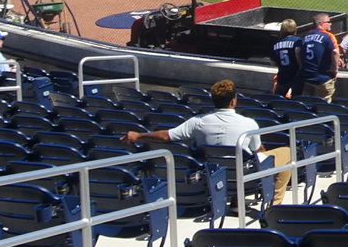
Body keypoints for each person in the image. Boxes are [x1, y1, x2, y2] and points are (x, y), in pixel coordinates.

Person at [124, 79, 293, 205]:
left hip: (213, 175)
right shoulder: (249, 123)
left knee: (230, 159)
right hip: (244, 178)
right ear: (233, 100)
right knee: (286, 152)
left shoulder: (197, 122)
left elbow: (165, 136)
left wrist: (138, 136)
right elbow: (259, 151)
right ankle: (274, 204)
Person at [296, 13, 340, 100]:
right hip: (322, 78)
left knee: (307, 102)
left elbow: (297, 51)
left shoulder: (306, 35)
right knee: (324, 104)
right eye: (329, 22)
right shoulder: (328, 36)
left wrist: (301, 66)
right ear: (322, 23)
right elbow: (335, 52)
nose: (331, 24)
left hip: (307, 76)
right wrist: (335, 69)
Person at [269, 18, 303, 97]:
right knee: (297, 98)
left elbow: (272, 63)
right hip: (296, 75)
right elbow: (298, 52)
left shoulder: (276, 43)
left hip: (283, 75)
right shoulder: (298, 41)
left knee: (278, 98)